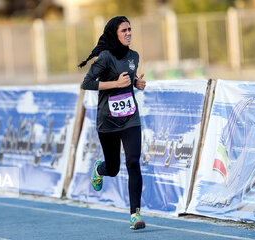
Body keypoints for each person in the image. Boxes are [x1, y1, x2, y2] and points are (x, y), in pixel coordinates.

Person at [79, 16, 146, 230]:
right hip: (108, 121)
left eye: (130, 29)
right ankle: (100, 169)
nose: (128, 33)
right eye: (123, 30)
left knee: (133, 162)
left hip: (130, 118)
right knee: (114, 168)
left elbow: (130, 77)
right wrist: (115, 84)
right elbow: (87, 83)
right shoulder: (106, 57)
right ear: (114, 34)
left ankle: (135, 214)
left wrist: (137, 83)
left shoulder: (134, 56)